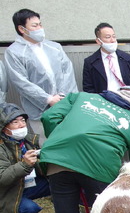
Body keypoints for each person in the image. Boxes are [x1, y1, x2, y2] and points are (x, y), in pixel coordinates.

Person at [4, 9, 78, 142]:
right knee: (48, 143)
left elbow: (67, 72)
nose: (40, 28)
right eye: (34, 25)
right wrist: (48, 99)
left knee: (70, 141)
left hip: (64, 103)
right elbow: (21, 82)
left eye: (40, 24)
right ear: (22, 29)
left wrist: (65, 97)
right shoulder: (14, 52)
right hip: (39, 110)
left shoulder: (54, 47)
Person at [82, 22, 130, 119]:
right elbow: (88, 88)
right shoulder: (90, 62)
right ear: (98, 41)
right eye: (107, 37)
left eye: (114, 36)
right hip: (105, 106)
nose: (112, 40)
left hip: (128, 103)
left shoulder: (128, 59)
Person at [0, 103, 50, 213]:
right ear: (4, 128)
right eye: (15, 122)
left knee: (58, 182)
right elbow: (3, 178)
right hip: (8, 191)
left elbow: (41, 168)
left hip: (28, 183)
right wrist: (25, 165)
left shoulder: (28, 140)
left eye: (22, 120)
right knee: (29, 209)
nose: (21, 125)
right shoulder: (1, 148)